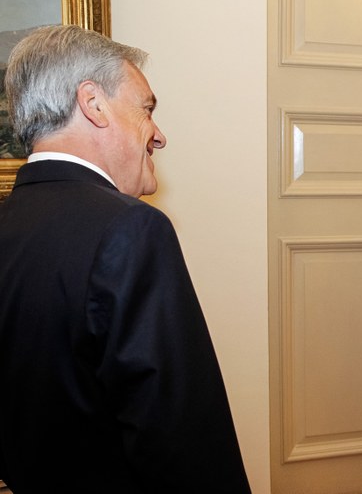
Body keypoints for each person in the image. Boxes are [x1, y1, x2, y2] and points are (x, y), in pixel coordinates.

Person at [0, 25, 250, 493]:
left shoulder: (10, 223)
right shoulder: (130, 228)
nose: (159, 136)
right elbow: (182, 432)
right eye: (147, 110)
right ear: (93, 104)